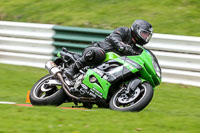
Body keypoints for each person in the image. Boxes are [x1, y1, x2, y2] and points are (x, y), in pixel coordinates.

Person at [65, 19, 153, 79]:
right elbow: (114, 37)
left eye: (147, 35)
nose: (146, 37)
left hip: (110, 64)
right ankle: (73, 68)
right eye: (144, 34)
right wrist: (122, 46)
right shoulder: (124, 31)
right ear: (137, 29)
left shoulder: (136, 47)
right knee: (99, 53)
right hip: (98, 50)